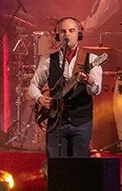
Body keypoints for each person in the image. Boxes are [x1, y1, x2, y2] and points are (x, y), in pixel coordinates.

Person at [27, 17, 103, 157]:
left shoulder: (92, 59)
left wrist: (90, 81)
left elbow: (96, 90)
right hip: (56, 122)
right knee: (56, 165)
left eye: (71, 30)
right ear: (58, 35)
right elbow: (33, 86)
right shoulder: (48, 60)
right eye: (63, 31)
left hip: (81, 123)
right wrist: (40, 99)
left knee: (79, 165)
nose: (67, 34)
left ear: (79, 34)